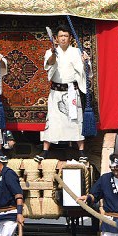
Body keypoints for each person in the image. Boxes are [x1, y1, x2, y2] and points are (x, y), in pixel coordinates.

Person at [37, 23, 90, 163]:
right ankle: (45, 150)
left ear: (70, 38)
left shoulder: (77, 52)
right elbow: (49, 64)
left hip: (72, 91)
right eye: (61, 36)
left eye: (66, 36)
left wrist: (86, 61)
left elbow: (86, 71)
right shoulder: (51, 52)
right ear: (56, 38)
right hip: (56, 92)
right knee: (52, 120)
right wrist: (54, 54)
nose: (63, 39)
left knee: (76, 121)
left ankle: (81, 151)